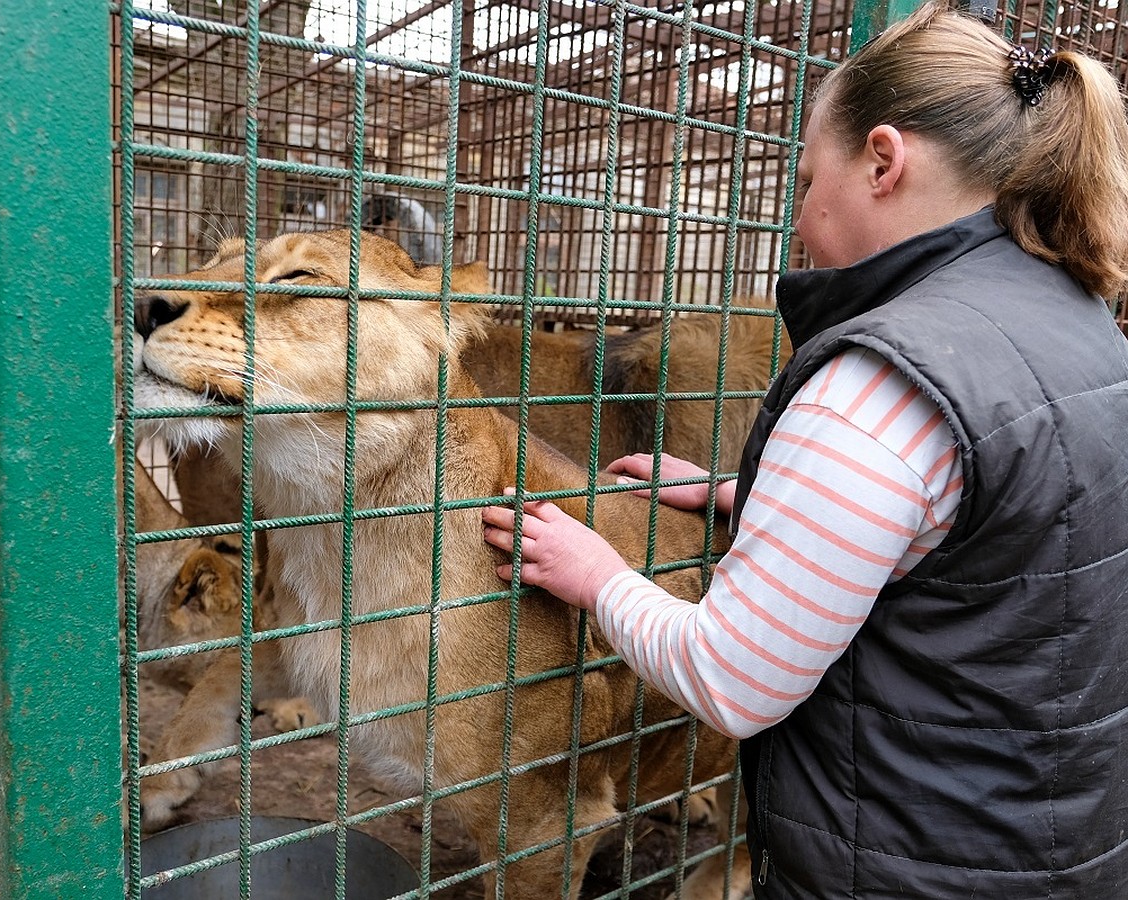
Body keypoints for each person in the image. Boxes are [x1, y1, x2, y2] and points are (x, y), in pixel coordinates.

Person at [482, 2, 1128, 895]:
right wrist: (749, 494)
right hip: (1047, 836)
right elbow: (991, 540)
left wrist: (595, 573)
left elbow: (731, 679)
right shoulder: (1083, 328)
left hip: (900, 862)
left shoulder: (884, 379)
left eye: (807, 179)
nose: (800, 216)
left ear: (882, 161)